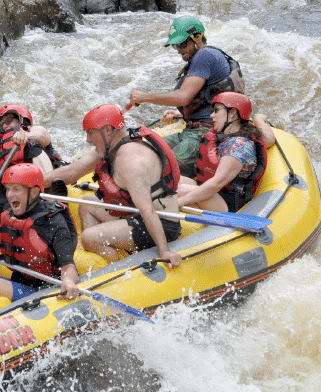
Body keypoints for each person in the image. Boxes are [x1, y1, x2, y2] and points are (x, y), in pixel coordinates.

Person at [129, 16, 245, 178]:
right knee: (139, 150)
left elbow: (183, 97)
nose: (178, 49)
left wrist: (145, 97)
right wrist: (180, 115)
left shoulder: (205, 55)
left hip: (204, 132)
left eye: (182, 44)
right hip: (193, 130)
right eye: (176, 45)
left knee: (159, 170)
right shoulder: (206, 57)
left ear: (197, 38)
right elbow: (207, 99)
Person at [70, 105, 183, 268]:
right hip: (138, 215)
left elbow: (148, 210)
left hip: (163, 224)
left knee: (89, 237)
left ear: (108, 130)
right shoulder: (120, 147)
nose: (88, 140)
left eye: (90, 133)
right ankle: (105, 252)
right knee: (87, 203)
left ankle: (116, 270)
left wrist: (165, 251)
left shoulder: (129, 161)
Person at [0, 163, 80, 302]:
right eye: (8, 189)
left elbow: (68, 265)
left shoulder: (53, 221)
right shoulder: (10, 211)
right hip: (20, 279)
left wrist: (69, 281)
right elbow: (8, 235)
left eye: (16, 189)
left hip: (47, 289)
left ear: (34, 192)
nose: (9, 195)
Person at [177, 92, 274, 212]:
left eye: (216, 110)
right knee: (172, 179)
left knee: (181, 191)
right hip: (216, 193)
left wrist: (180, 201)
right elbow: (270, 138)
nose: (212, 115)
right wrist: (259, 119)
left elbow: (216, 183)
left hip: (228, 203)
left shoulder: (238, 147)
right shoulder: (232, 133)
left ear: (232, 113)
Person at [0, 104, 56, 232]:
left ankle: (12, 237)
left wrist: (26, 136)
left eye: (9, 121)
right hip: (8, 201)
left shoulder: (33, 135)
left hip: (34, 198)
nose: (5, 126)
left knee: (32, 146)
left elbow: (43, 136)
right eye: (1, 124)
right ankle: (3, 238)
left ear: (21, 120)